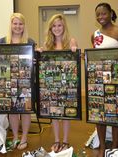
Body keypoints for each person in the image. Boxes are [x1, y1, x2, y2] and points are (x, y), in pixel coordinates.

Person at [91, 3, 118, 157]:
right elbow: (95, 56)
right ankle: (103, 146)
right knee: (99, 114)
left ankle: (115, 146)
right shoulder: (95, 34)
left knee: (117, 113)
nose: (100, 17)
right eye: (98, 15)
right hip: (99, 79)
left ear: (110, 13)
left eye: (103, 13)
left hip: (117, 78)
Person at [39, 14, 78, 153]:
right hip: (52, 85)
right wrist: (39, 52)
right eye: (54, 26)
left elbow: (75, 57)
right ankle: (56, 140)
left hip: (67, 84)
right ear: (50, 28)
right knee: (54, 114)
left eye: (59, 25)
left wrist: (74, 50)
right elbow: (42, 60)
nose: (57, 28)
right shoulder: (47, 44)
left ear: (64, 26)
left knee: (66, 114)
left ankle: (65, 141)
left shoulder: (71, 41)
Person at [0, 13, 35, 150]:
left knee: (25, 110)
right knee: (12, 110)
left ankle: (24, 137)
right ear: (11, 25)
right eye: (15, 23)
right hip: (8, 82)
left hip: (26, 82)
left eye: (20, 24)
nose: (17, 26)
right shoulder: (2, 41)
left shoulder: (30, 42)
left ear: (24, 26)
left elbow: (35, 63)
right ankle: (15, 137)